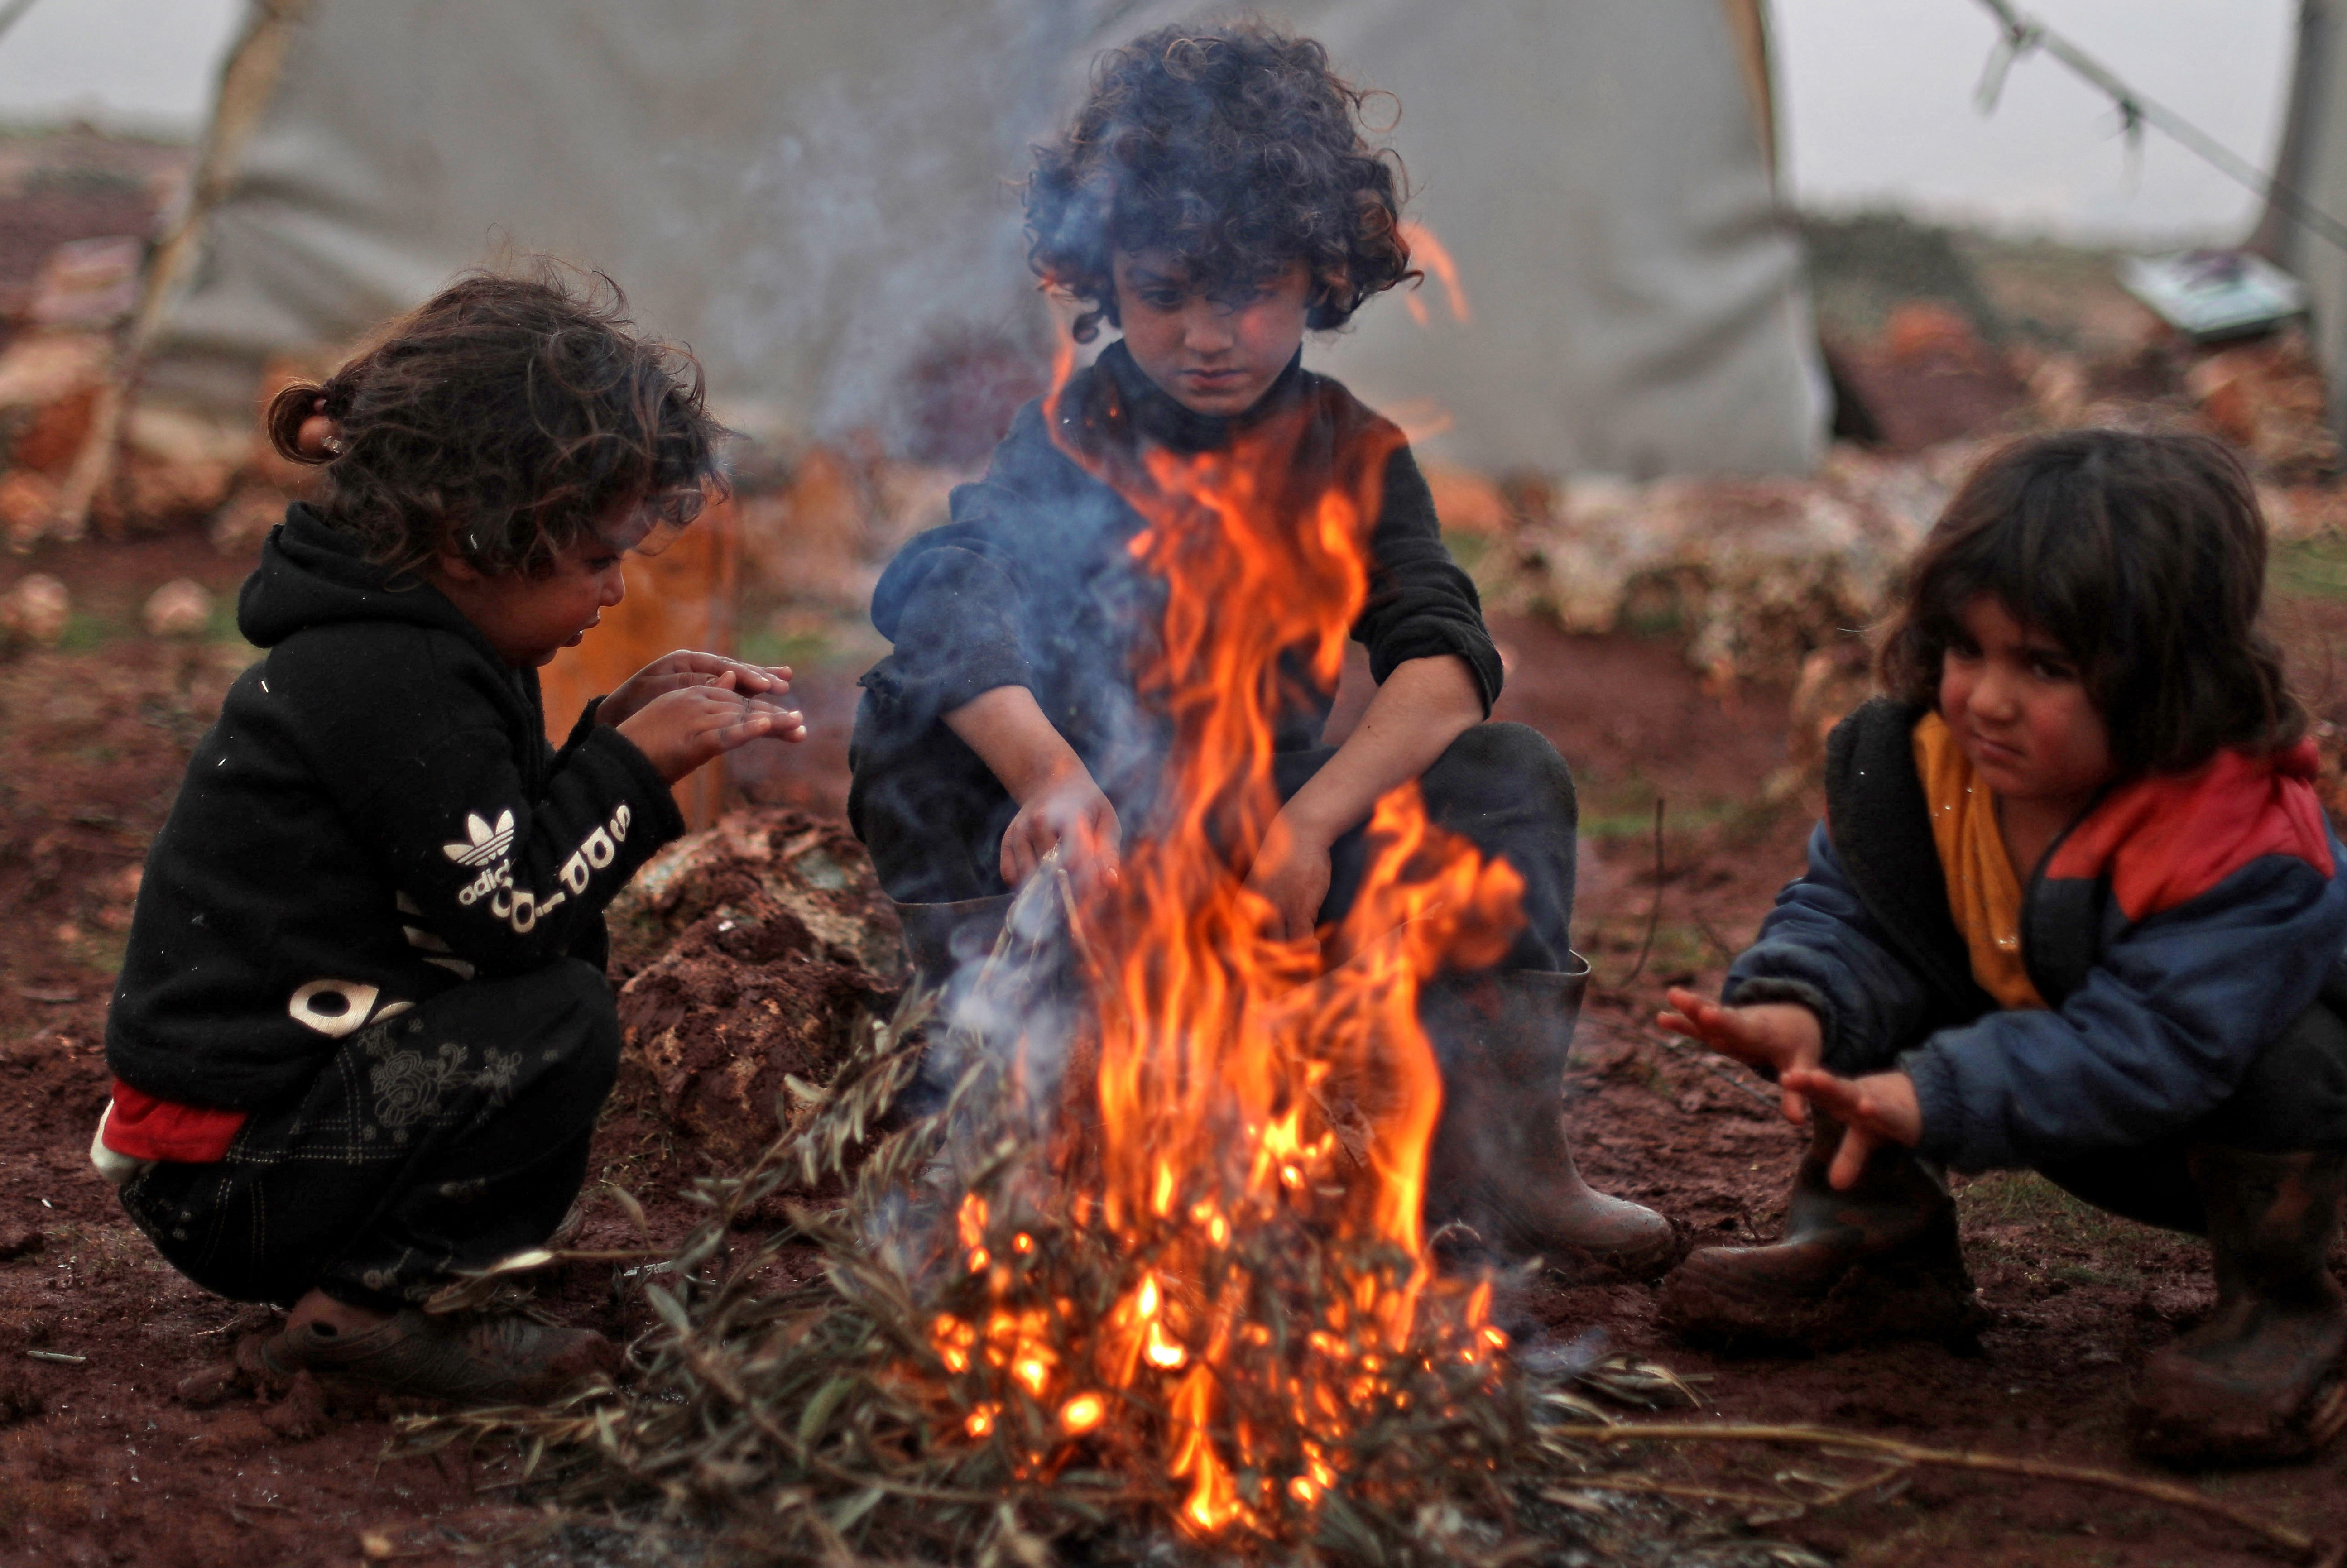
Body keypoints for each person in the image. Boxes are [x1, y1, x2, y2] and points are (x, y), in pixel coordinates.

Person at [846, 22, 1673, 1277]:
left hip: (1260, 845)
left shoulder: (1351, 451)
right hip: (1087, 854)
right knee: (913, 706)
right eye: (1166, 294)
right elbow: (949, 593)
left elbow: (1443, 664)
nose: (1208, 335)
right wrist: (1050, 780)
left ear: (1321, 274)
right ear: (1102, 278)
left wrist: (1310, 827)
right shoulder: (1081, 429)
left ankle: (1498, 1165)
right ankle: (992, 1100)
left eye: (1250, 293)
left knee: (1509, 776)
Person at [95, 267, 804, 1405]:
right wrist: (635, 771)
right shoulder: (389, 676)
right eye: (595, 559)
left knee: (555, 998)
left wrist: (611, 728)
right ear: (476, 538)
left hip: (275, 1135)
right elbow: (510, 916)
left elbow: (488, 844)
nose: (616, 592)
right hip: (234, 1175)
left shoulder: (433, 643)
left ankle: (391, 1280)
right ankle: (355, 1319)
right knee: (558, 1016)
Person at [1657, 429, 2347, 1464]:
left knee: (2297, 1049)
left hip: (2203, 1128)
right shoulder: (1923, 772)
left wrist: (1934, 1093)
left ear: (2171, 673)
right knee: (1864, 970)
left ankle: (2283, 1310)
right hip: (2037, 1078)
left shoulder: (2239, 838)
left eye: (2046, 666)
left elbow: (2156, 1041)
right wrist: (1795, 1006)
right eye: (1967, 649)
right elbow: (1853, 912)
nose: (1986, 697)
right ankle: (1877, 1252)